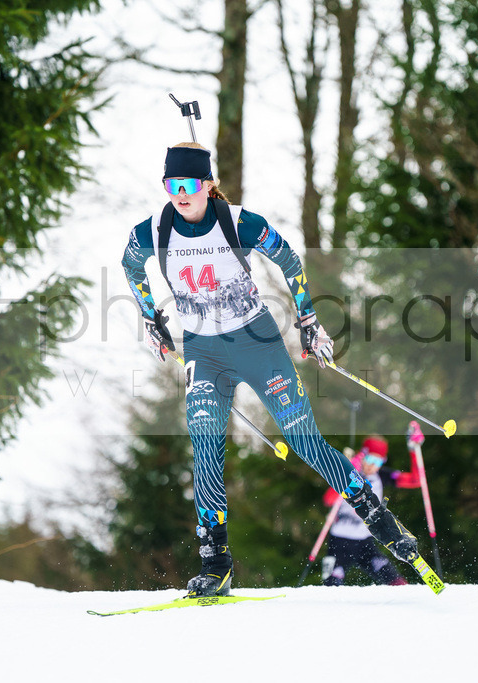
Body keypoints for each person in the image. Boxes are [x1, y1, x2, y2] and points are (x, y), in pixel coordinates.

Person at [121, 142, 422, 597]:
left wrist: (308, 322)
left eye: (187, 185)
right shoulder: (154, 230)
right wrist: (151, 316)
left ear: (206, 185)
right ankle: (215, 562)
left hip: (257, 344)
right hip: (204, 350)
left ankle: (378, 518)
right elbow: (130, 265)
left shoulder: (239, 222)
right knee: (204, 447)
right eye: (170, 185)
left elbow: (288, 260)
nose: (179, 194)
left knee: (304, 442)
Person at [321, 435, 420, 586]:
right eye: (369, 459)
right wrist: (350, 470)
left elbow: (415, 480)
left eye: (378, 461)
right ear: (362, 455)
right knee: (331, 586)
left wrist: (414, 449)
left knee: (398, 583)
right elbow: (328, 500)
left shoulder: (381, 476)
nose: (372, 466)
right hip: (339, 543)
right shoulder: (347, 474)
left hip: (365, 543)